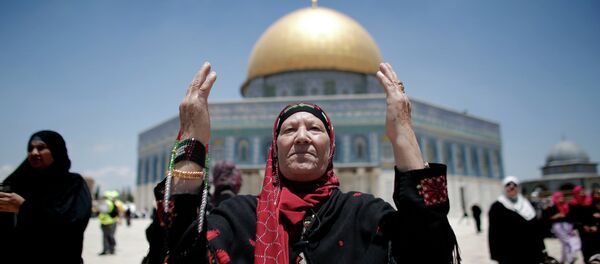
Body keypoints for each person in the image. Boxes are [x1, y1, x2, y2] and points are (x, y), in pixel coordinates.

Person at [144, 62, 460, 263]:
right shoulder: (239, 218)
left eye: (315, 128)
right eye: (289, 129)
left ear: (331, 145)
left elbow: (432, 245)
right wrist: (191, 142)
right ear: (274, 148)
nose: (302, 137)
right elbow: (177, 246)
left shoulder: (364, 215)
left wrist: (403, 133)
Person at [0, 130, 92, 264]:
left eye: (41, 148)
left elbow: (72, 224)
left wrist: (25, 208)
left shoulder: (72, 184)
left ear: (56, 151)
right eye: (30, 148)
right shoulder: (17, 184)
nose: (34, 153)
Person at [488, 176, 547, 264]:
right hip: (509, 253)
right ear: (504, 188)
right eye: (508, 185)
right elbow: (494, 232)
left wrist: (542, 248)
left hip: (531, 251)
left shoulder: (526, 204)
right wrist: (496, 254)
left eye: (514, 185)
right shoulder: (497, 207)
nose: (512, 187)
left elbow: (536, 229)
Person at [547, 191, 580, 264]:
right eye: (559, 197)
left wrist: (573, 227)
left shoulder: (566, 206)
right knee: (567, 241)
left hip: (567, 225)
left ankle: (562, 260)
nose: (561, 198)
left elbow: (571, 216)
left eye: (562, 196)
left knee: (564, 244)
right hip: (557, 226)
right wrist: (557, 216)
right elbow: (548, 218)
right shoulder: (553, 207)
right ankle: (570, 259)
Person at [569, 186, 600, 263]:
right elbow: (573, 219)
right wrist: (582, 226)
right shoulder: (572, 204)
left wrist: (596, 225)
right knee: (586, 247)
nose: (582, 192)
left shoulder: (590, 201)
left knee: (596, 246)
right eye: (580, 191)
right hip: (582, 229)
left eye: (583, 190)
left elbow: (595, 214)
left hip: (594, 228)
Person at [98, 190, 121, 255]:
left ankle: (106, 249)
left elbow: (101, 212)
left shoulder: (106, 203)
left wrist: (100, 217)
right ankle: (112, 249)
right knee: (111, 236)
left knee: (106, 236)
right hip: (112, 221)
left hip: (106, 222)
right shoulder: (113, 202)